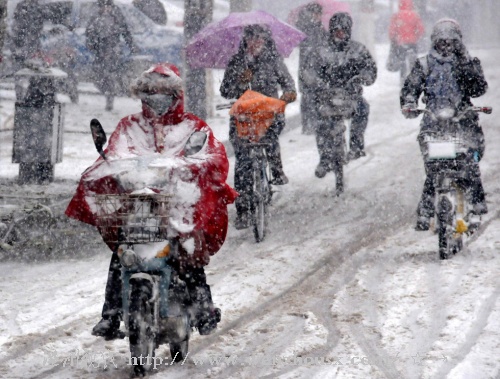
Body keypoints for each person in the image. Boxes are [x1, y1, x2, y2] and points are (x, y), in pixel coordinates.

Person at [65, 63, 237, 338]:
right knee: (122, 253)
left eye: (162, 91)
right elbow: (115, 155)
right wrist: (104, 173)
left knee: (189, 251)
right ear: (142, 94)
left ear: (175, 95)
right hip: (137, 208)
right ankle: (110, 315)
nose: (156, 97)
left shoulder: (193, 127)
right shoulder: (129, 126)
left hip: (177, 206)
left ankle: (203, 308)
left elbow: (212, 156)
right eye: (150, 91)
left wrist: (189, 169)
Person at [400, 19, 488, 231]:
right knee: (434, 166)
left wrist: (466, 63)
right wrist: (410, 103)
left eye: (451, 42)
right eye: (442, 42)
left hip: (463, 120)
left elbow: (478, 89)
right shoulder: (424, 64)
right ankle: (426, 210)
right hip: (433, 122)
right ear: (434, 42)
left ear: (458, 42)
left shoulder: (466, 62)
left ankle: (476, 204)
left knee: (469, 161)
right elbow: (410, 88)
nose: (446, 46)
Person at [220, 24, 297, 230]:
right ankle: (243, 210)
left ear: (266, 41)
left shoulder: (273, 61)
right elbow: (225, 91)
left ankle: (276, 169)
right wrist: (239, 81)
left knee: (270, 138)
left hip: (268, 114)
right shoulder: (237, 62)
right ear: (245, 41)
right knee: (243, 160)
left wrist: (288, 95)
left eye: (260, 39)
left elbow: (288, 84)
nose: (256, 43)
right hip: (244, 118)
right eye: (252, 39)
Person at [306, 12, 377, 182]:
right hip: (326, 97)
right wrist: (316, 81)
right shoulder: (320, 51)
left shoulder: (358, 50)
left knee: (362, 108)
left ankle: (356, 146)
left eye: (343, 30)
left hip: (350, 96)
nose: (340, 33)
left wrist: (362, 78)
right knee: (320, 120)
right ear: (331, 31)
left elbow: (370, 69)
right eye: (336, 30)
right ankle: (324, 158)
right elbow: (309, 70)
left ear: (349, 31)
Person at [85, 0, 136, 111]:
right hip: (99, 51)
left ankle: (110, 97)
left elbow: (125, 31)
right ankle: (109, 92)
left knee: (109, 75)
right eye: (102, 7)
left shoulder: (117, 16)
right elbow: (89, 32)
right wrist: (92, 42)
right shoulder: (96, 17)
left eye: (107, 6)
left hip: (113, 50)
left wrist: (131, 45)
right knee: (98, 76)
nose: (105, 9)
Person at [296, 3, 328, 135]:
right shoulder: (304, 28)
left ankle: (314, 123)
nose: (317, 16)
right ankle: (307, 124)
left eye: (318, 14)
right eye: (315, 13)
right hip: (306, 67)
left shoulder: (320, 29)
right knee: (307, 96)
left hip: (318, 67)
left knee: (316, 96)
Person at [388, 0, 425, 83]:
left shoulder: (397, 15)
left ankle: (403, 79)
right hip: (412, 42)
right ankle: (414, 79)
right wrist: (416, 37)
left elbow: (392, 30)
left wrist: (393, 38)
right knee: (413, 62)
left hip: (400, 43)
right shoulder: (415, 15)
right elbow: (420, 29)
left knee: (402, 62)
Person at [11, 0, 45, 68]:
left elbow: (16, 21)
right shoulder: (35, 6)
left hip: (26, 38)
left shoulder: (23, 5)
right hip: (26, 38)